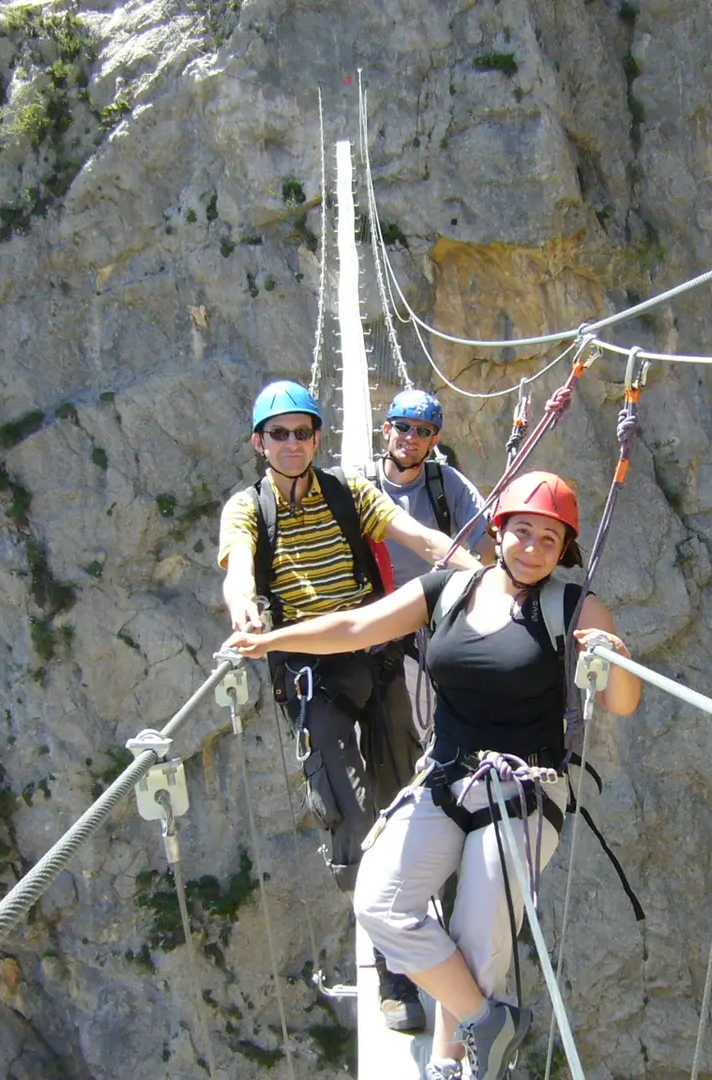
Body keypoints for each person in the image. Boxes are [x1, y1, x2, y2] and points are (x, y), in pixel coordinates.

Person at [223, 471, 642, 1080]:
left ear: (563, 552)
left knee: (478, 935)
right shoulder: (447, 590)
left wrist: (615, 655)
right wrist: (273, 641)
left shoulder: (574, 605)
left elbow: (623, 703)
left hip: (525, 791)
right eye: (521, 531)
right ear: (497, 532)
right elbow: (356, 628)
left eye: (548, 541)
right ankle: (487, 1020)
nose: (531, 548)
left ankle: (452, 1064)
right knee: (379, 903)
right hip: (446, 780)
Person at [217, 379, 479, 1033]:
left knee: (401, 795)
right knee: (348, 809)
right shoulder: (246, 508)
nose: (292, 443)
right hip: (311, 671)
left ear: (316, 439)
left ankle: (420, 906)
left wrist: (479, 572)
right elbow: (240, 565)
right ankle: (395, 964)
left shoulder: (347, 493)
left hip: (377, 655)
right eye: (279, 434)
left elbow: (415, 535)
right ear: (259, 443)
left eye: (303, 432)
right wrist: (243, 607)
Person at [372, 388, 494, 582]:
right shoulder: (362, 483)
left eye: (423, 431)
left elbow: (487, 541)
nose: (411, 437)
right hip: (377, 600)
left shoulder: (447, 482)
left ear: (433, 441)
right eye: (402, 427)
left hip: (433, 599)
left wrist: (472, 572)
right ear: (387, 430)